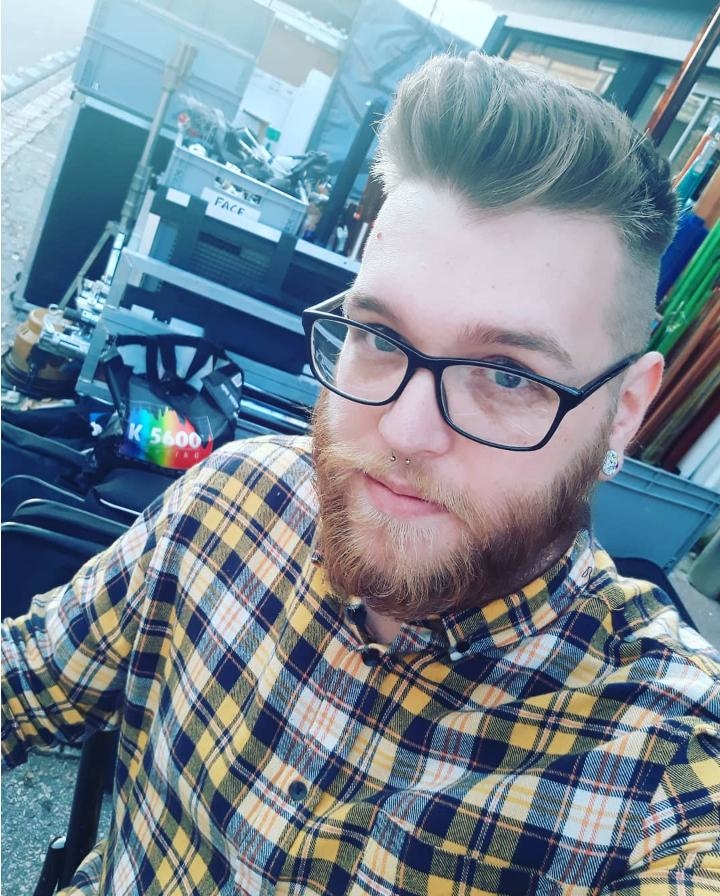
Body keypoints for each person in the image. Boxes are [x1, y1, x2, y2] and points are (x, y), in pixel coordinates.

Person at [3, 51, 719, 896]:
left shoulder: (665, 762)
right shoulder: (232, 505)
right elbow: (24, 680)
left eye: (507, 376)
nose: (406, 432)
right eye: (379, 337)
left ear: (623, 412)